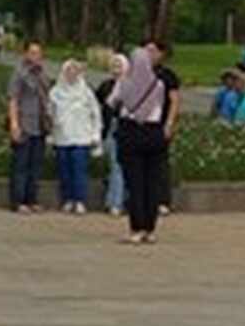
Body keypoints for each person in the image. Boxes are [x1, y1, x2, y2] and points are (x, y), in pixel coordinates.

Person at [107, 48, 166, 245]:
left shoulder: (124, 83)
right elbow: (160, 106)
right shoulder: (158, 84)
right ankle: (150, 229)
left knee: (135, 184)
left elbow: (111, 102)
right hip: (153, 133)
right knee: (152, 183)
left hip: (131, 132)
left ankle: (136, 228)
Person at [50, 60, 102, 215]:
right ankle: (68, 199)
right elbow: (50, 114)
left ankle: (80, 200)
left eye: (74, 71)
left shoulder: (86, 92)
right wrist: (51, 134)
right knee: (64, 171)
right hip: (62, 137)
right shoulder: (55, 92)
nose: (71, 74)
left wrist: (95, 134)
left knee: (79, 170)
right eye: (68, 70)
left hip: (81, 137)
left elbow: (95, 114)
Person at [8, 41, 50, 214]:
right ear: (25, 54)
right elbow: (13, 99)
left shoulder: (42, 74)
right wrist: (14, 124)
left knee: (36, 165)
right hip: (24, 122)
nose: (36, 56)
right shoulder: (19, 73)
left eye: (38, 53)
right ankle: (18, 201)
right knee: (21, 165)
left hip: (39, 124)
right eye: (32, 53)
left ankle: (32, 199)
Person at [148, 41, 181, 216]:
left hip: (159, 124)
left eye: (153, 51)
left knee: (160, 163)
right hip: (141, 124)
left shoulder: (167, 76)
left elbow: (175, 100)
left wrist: (169, 123)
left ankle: (162, 200)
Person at [96, 54, 129, 216]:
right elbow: (98, 106)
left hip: (125, 128)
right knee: (114, 166)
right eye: (114, 65)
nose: (116, 69)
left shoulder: (131, 86)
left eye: (119, 65)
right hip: (108, 128)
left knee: (118, 166)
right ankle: (115, 200)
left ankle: (115, 202)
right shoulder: (105, 86)